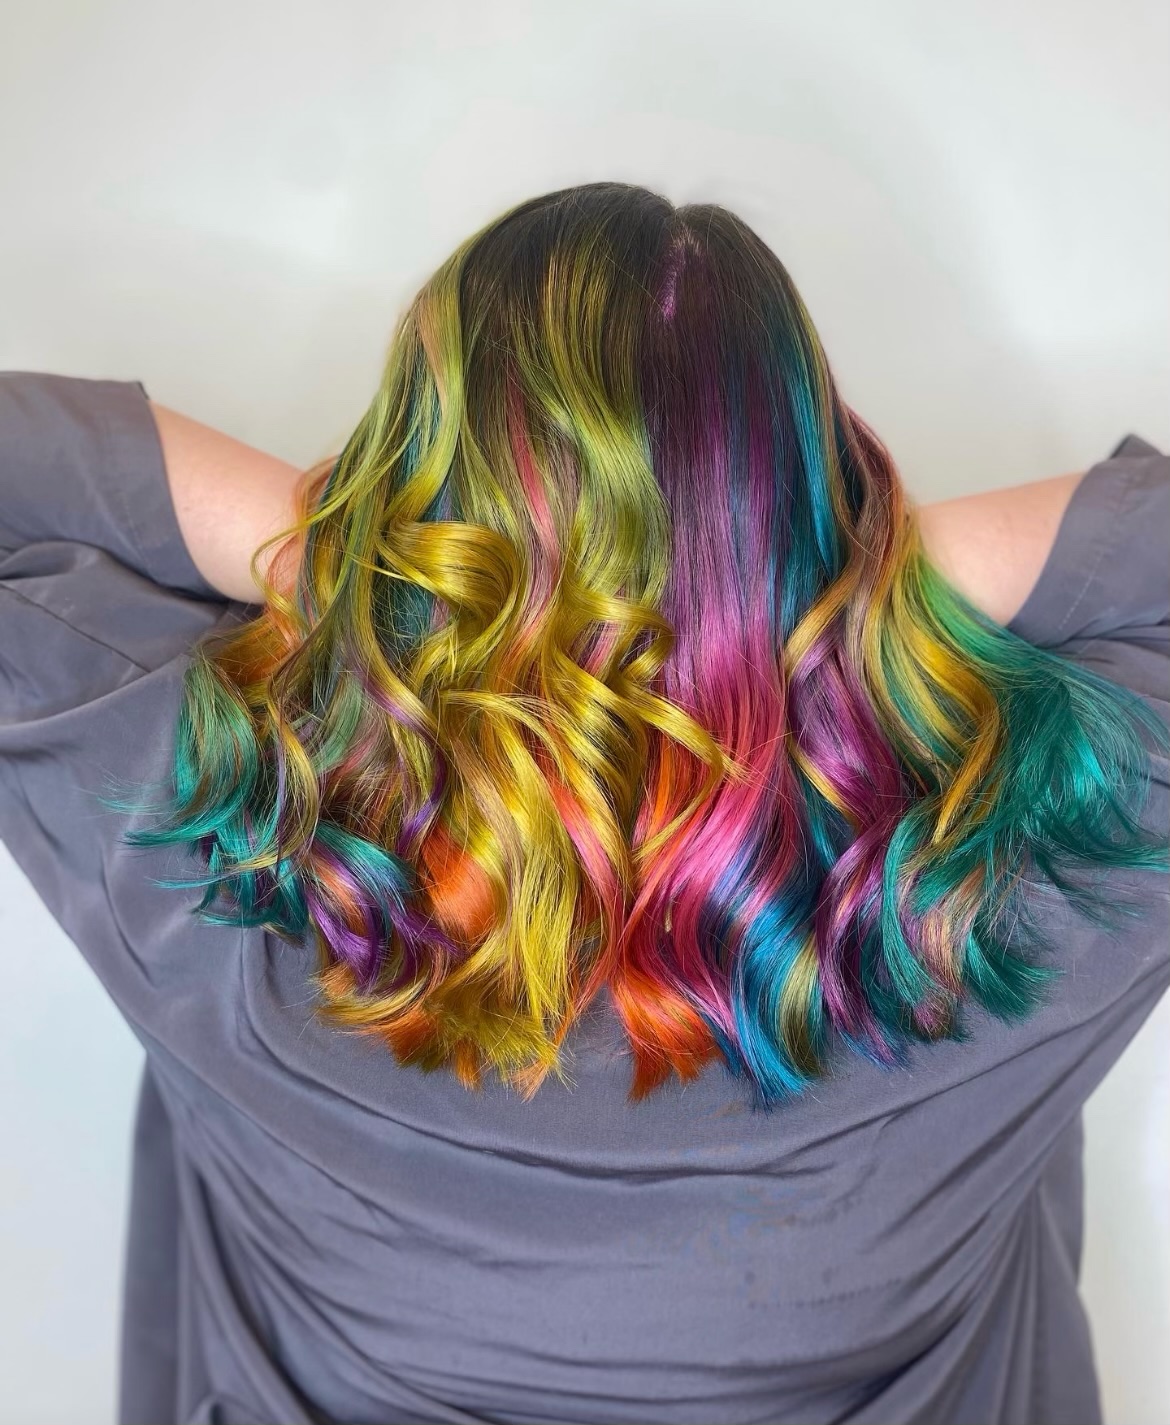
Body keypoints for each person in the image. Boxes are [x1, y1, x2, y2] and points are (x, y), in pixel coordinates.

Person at [1, 182, 1166, 1425]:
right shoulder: (1029, 889)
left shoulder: (207, 850)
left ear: (414, 478)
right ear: (807, 491)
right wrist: (841, 595)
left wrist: (365, 571)